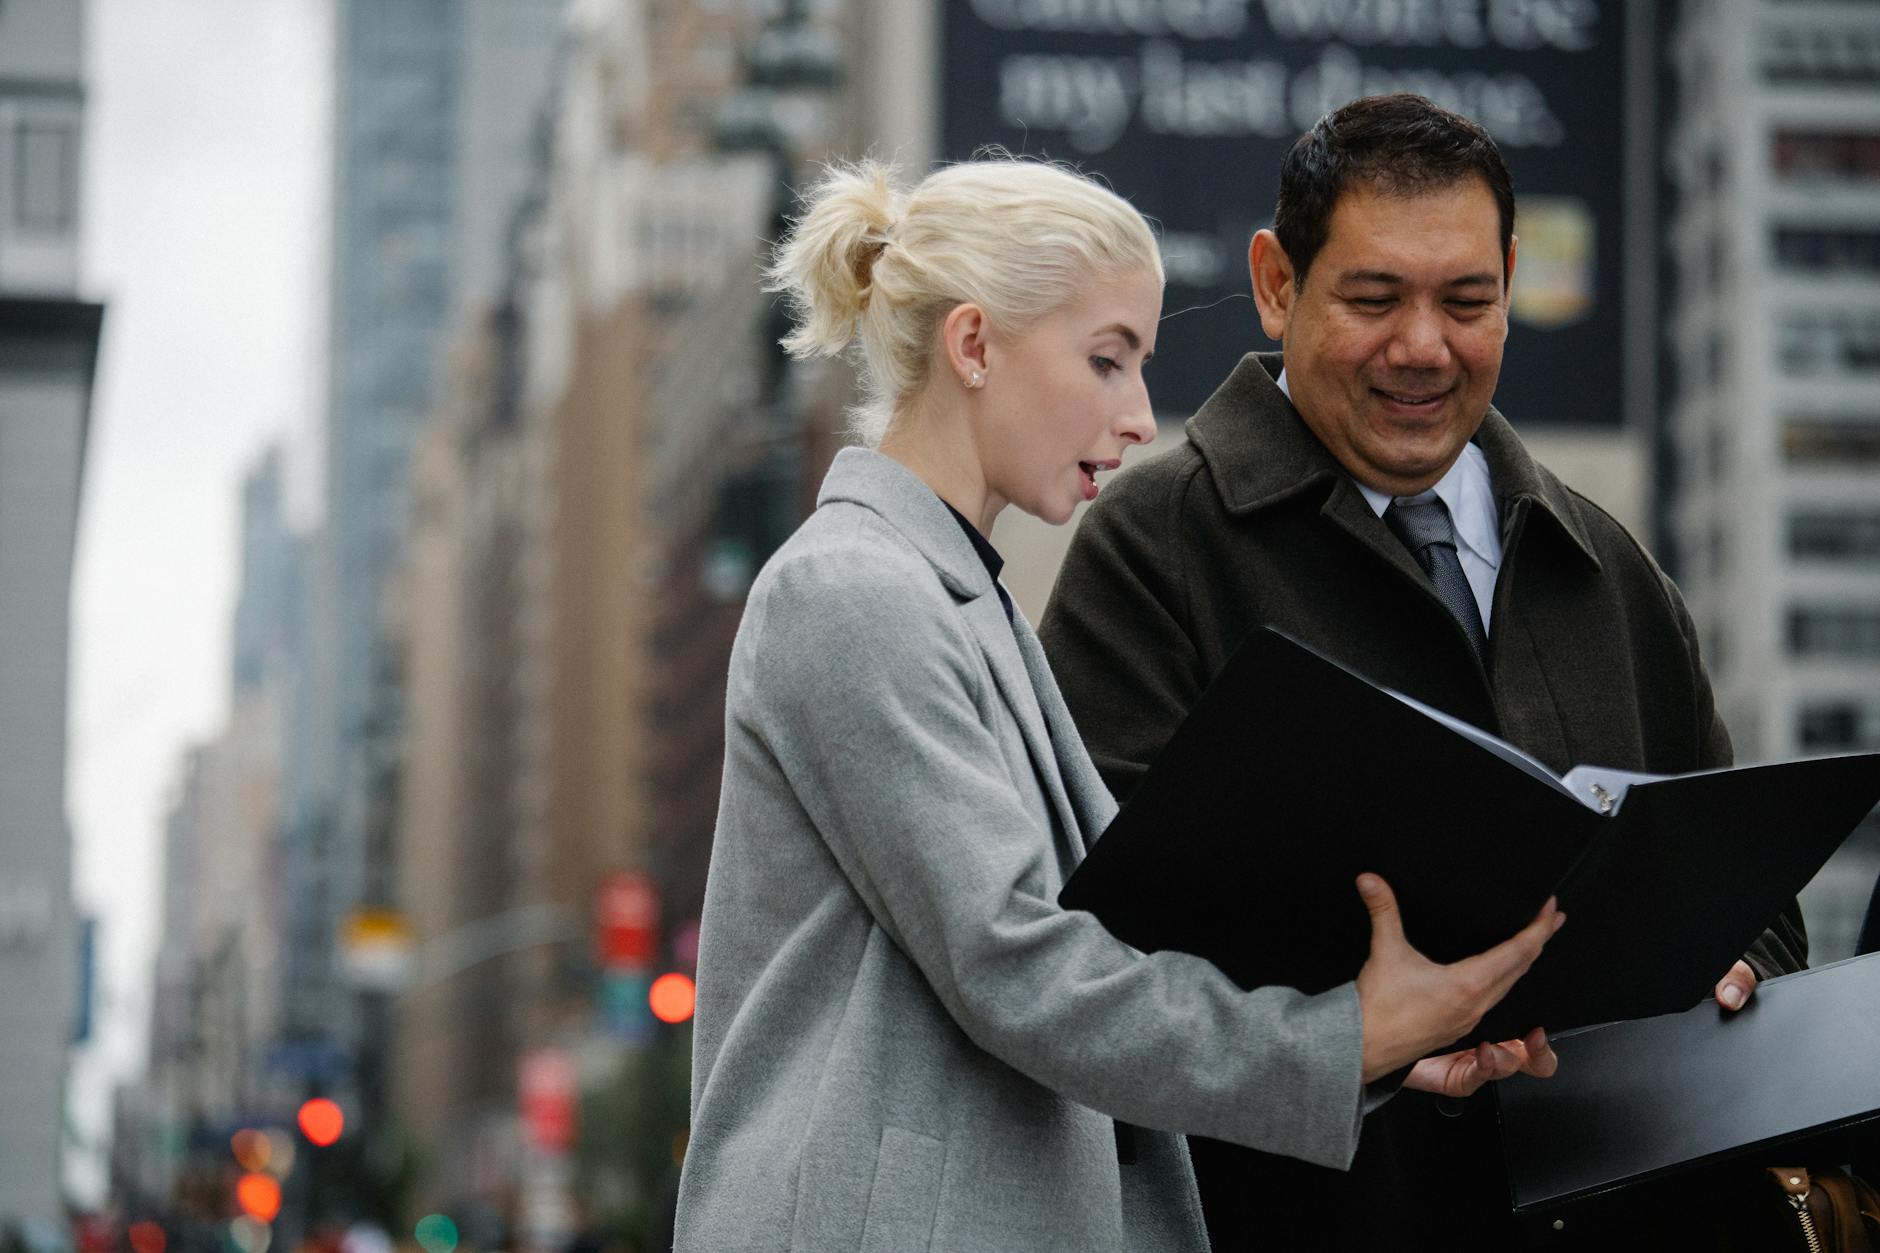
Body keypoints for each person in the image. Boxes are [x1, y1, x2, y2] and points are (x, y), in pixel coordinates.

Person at [672, 155, 1565, 1253]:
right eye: (1106, 360)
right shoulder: (853, 591)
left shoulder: (956, 599)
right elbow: (1018, 964)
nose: (1141, 417)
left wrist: (1376, 1045)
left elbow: (1098, 944)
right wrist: (1336, 1039)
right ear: (971, 345)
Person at [1038, 93, 1810, 1251]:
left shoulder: (1609, 566)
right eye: (1371, 298)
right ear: (1274, 284)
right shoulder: (1152, 547)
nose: (1421, 347)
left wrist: (1736, 970)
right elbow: (1094, 956)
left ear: (1509, 282)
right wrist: (1359, 1023)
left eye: (1465, 301)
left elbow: (1761, 907)